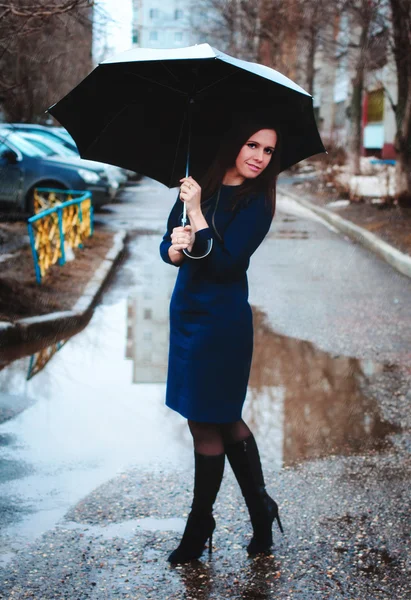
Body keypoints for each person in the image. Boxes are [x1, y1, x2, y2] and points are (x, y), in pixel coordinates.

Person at [159, 118, 284, 565]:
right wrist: (175, 246)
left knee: (212, 418)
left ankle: (199, 525)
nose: (259, 156)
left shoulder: (258, 204)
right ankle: (261, 511)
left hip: (222, 323)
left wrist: (196, 214)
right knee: (213, 417)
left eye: (268, 151)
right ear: (235, 143)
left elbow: (227, 265)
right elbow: (171, 246)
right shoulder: (201, 183)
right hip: (188, 315)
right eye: (252, 144)